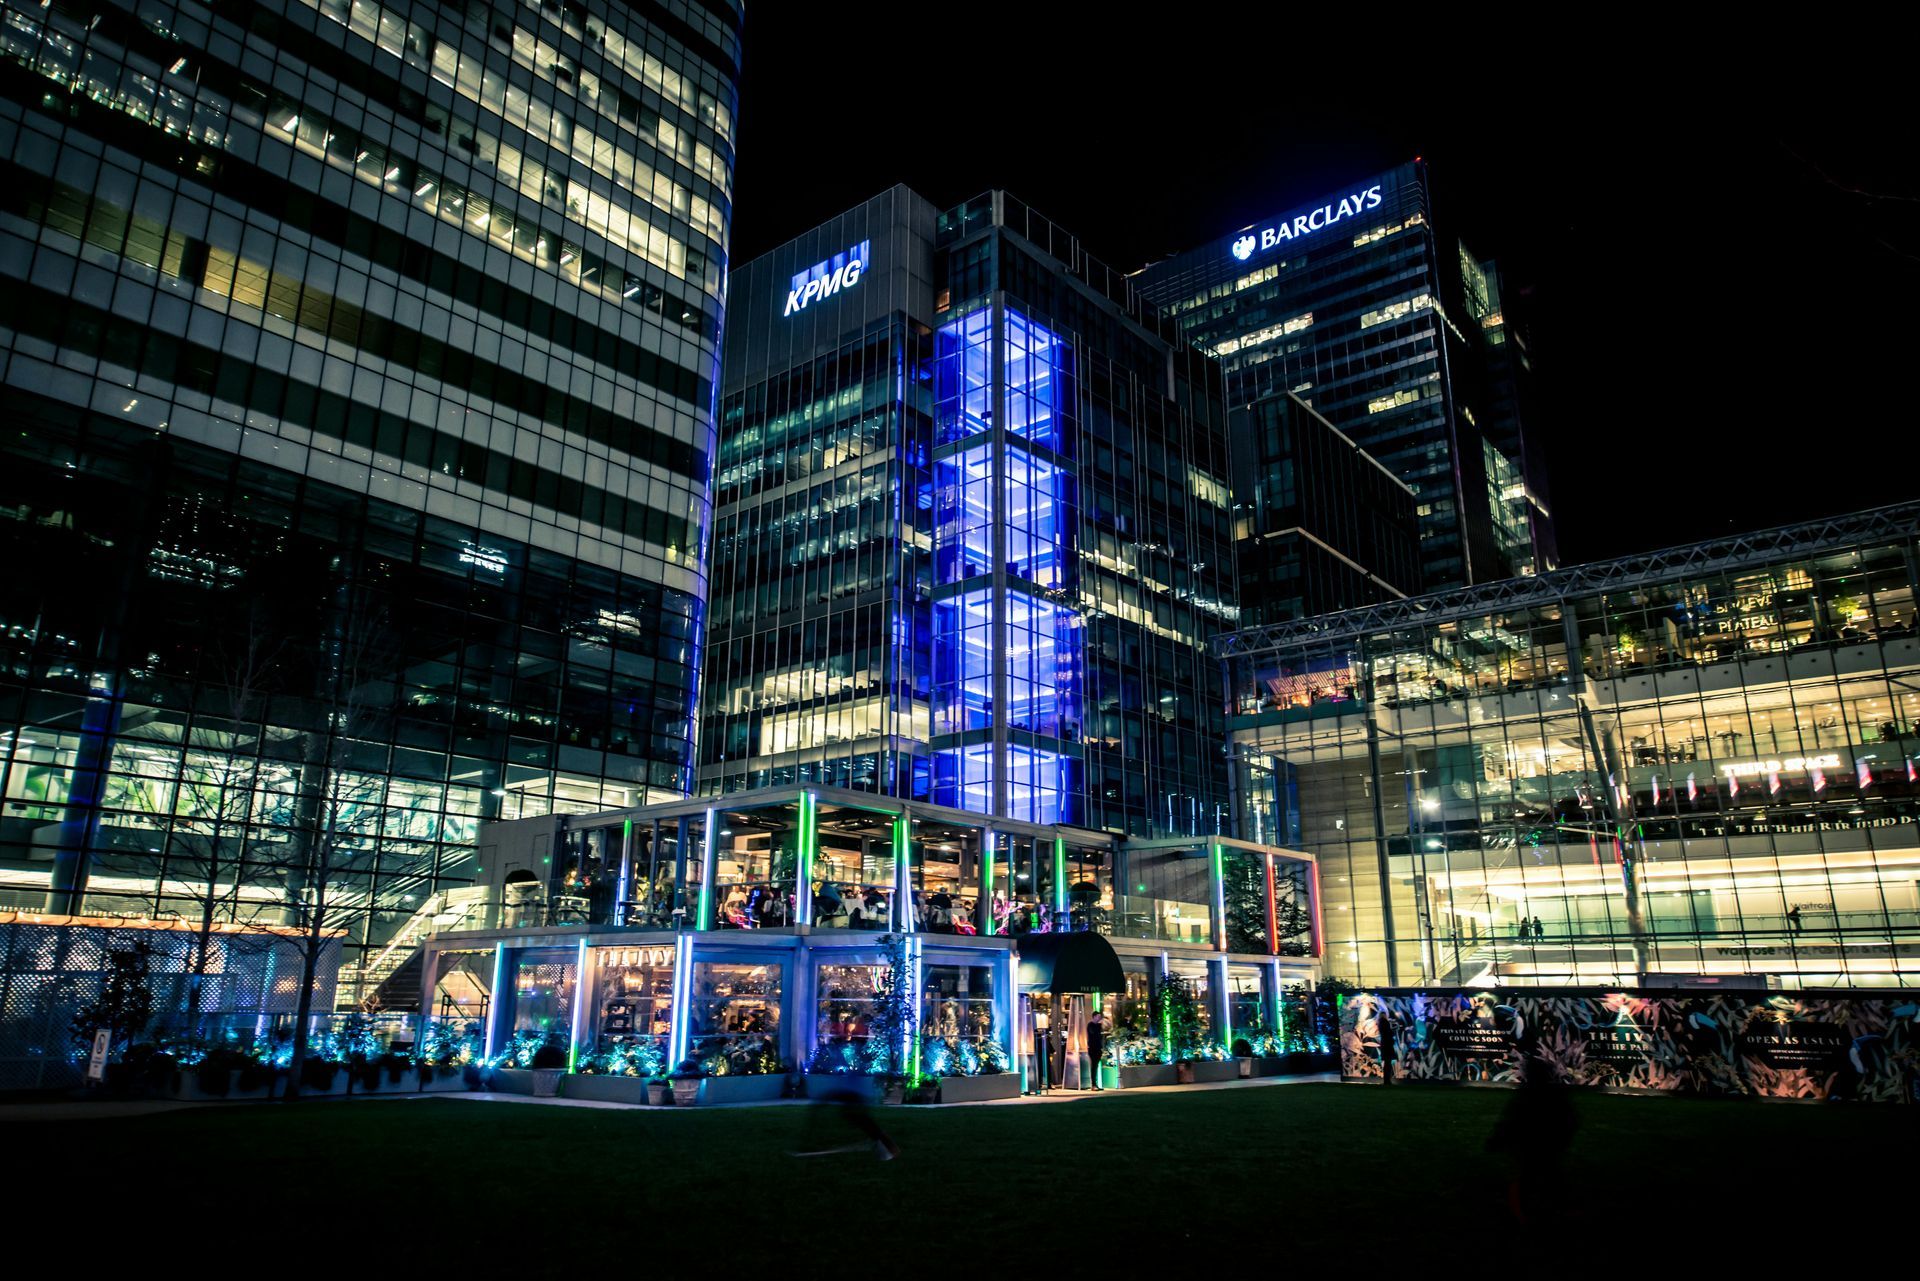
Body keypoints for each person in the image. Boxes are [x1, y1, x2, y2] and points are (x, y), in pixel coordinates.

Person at [1486, 1051, 1578, 1226]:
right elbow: (1571, 1119)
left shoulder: (1526, 1096)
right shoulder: (1555, 1095)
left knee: (1526, 1181)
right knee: (1551, 1177)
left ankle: (1524, 1217)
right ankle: (1557, 1211)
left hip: (1531, 1148)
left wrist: (1496, 1140)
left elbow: (1510, 1121)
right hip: (1548, 1147)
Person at [1086, 1009, 1108, 1089]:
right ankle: (1093, 1084)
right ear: (1094, 1017)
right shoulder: (1090, 1025)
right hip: (1092, 1048)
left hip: (1098, 1048)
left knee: (1096, 1066)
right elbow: (1093, 1034)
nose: (1099, 1018)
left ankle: (1095, 1084)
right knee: (1094, 1066)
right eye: (1098, 1016)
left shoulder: (1099, 1026)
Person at [1376, 1006, 1398, 1085]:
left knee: (1387, 1063)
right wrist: (1394, 1030)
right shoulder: (1385, 1022)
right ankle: (1387, 1080)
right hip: (1387, 1045)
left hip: (1384, 1044)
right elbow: (1388, 1033)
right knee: (1388, 1063)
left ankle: (1387, 1080)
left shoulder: (1380, 1023)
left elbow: (1385, 1033)